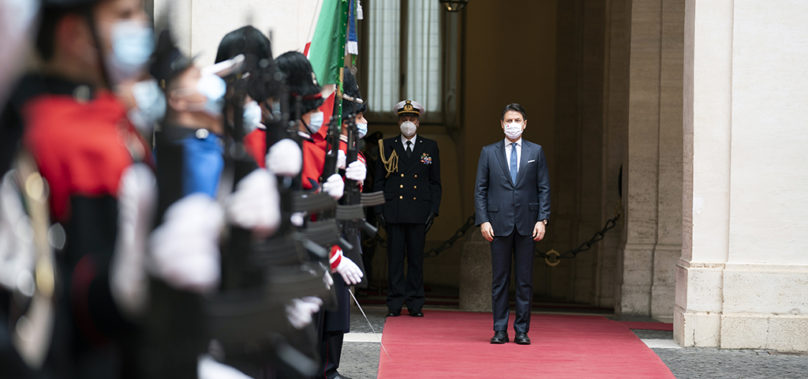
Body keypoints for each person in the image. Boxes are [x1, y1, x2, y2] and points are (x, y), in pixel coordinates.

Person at [473, 103, 550, 345]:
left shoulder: (536, 152)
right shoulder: (488, 152)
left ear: (525, 124)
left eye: (517, 120)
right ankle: (499, 329)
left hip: (528, 224)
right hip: (498, 223)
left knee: (525, 280)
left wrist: (543, 219)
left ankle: (522, 330)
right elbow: (480, 190)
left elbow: (544, 188)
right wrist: (483, 220)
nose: (513, 125)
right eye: (509, 120)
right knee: (500, 280)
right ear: (501, 123)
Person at [373, 99, 441, 318]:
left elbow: (435, 182)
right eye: (404, 118)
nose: (408, 122)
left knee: (415, 260)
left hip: (418, 211)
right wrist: (378, 210)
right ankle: (394, 304)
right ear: (398, 121)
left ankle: (415, 303)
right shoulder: (387, 145)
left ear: (418, 122)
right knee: (394, 260)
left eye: (412, 119)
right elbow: (378, 181)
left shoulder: (429, 147)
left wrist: (434, 209)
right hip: (394, 210)